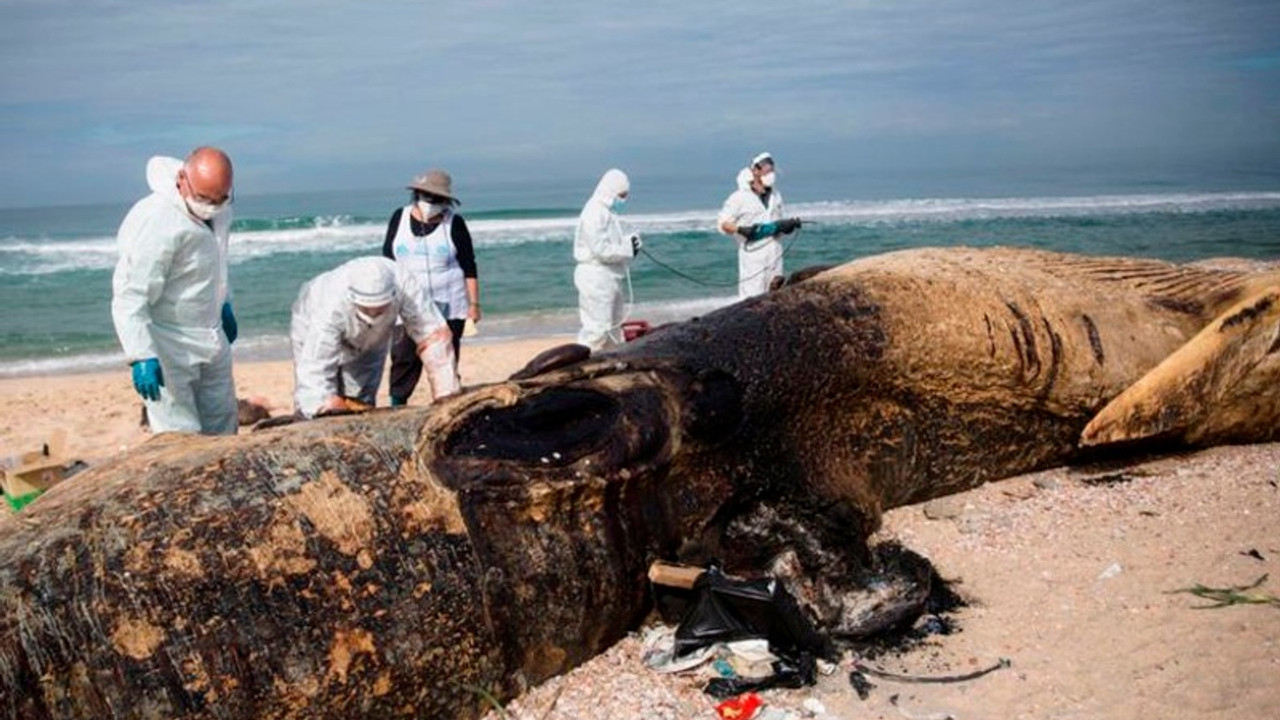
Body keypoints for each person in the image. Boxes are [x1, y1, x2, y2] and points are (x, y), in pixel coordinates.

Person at [111, 146, 239, 435]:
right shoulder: (157, 221)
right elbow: (131, 293)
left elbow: (216, 263)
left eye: (222, 199)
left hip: (211, 334)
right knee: (180, 432)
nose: (213, 207)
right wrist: (141, 354)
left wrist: (224, 304)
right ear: (182, 180)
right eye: (205, 199)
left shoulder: (219, 209)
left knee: (223, 424)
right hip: (169, 340)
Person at [290, 256, 458, 418]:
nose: (373, 313)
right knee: (314, 401)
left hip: (374, 338)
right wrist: (323, 403)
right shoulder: (330, 303)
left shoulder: (405, 284)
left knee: (362, 396)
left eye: (379, 308)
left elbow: (433, 336)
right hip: (308, 324)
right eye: (367, 308)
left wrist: (446, 396)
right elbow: (316, 366)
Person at [382, 169, 480, 406]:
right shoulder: (400, 217)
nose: (430, 203)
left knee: (446, 358)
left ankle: (449, 403)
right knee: (404, 357)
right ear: (416, 194)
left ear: (445, 201)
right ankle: (397, 403)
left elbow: (469, 266)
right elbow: (387, 260)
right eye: (425, 196)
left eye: (436, 199)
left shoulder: (454, 223)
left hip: (449, 304)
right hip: (407, 304)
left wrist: (474, 304)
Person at [716, 152, 802, 298]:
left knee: (776, 295)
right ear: (755, 170)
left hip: (775, 253)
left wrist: (787, 226)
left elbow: (778, 221)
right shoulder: (739, 197)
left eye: (772, 167)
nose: (771, 171)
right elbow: (722, 223)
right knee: (752, 298)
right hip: (753, 255)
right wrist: (741, 229)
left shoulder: (776, 196)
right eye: (766, 167)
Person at [573, 168, 641, 351]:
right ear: (610, 190)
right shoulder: (594, 212)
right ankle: (580, 366)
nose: (623, 200)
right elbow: (601, 250)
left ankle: (615, 362)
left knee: (614, 326)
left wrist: (630, 242)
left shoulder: (608, 213)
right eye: (621, 195)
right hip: (596, 276)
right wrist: (628, 250)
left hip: (610, 276)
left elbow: (611, 243)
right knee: (597, 330)